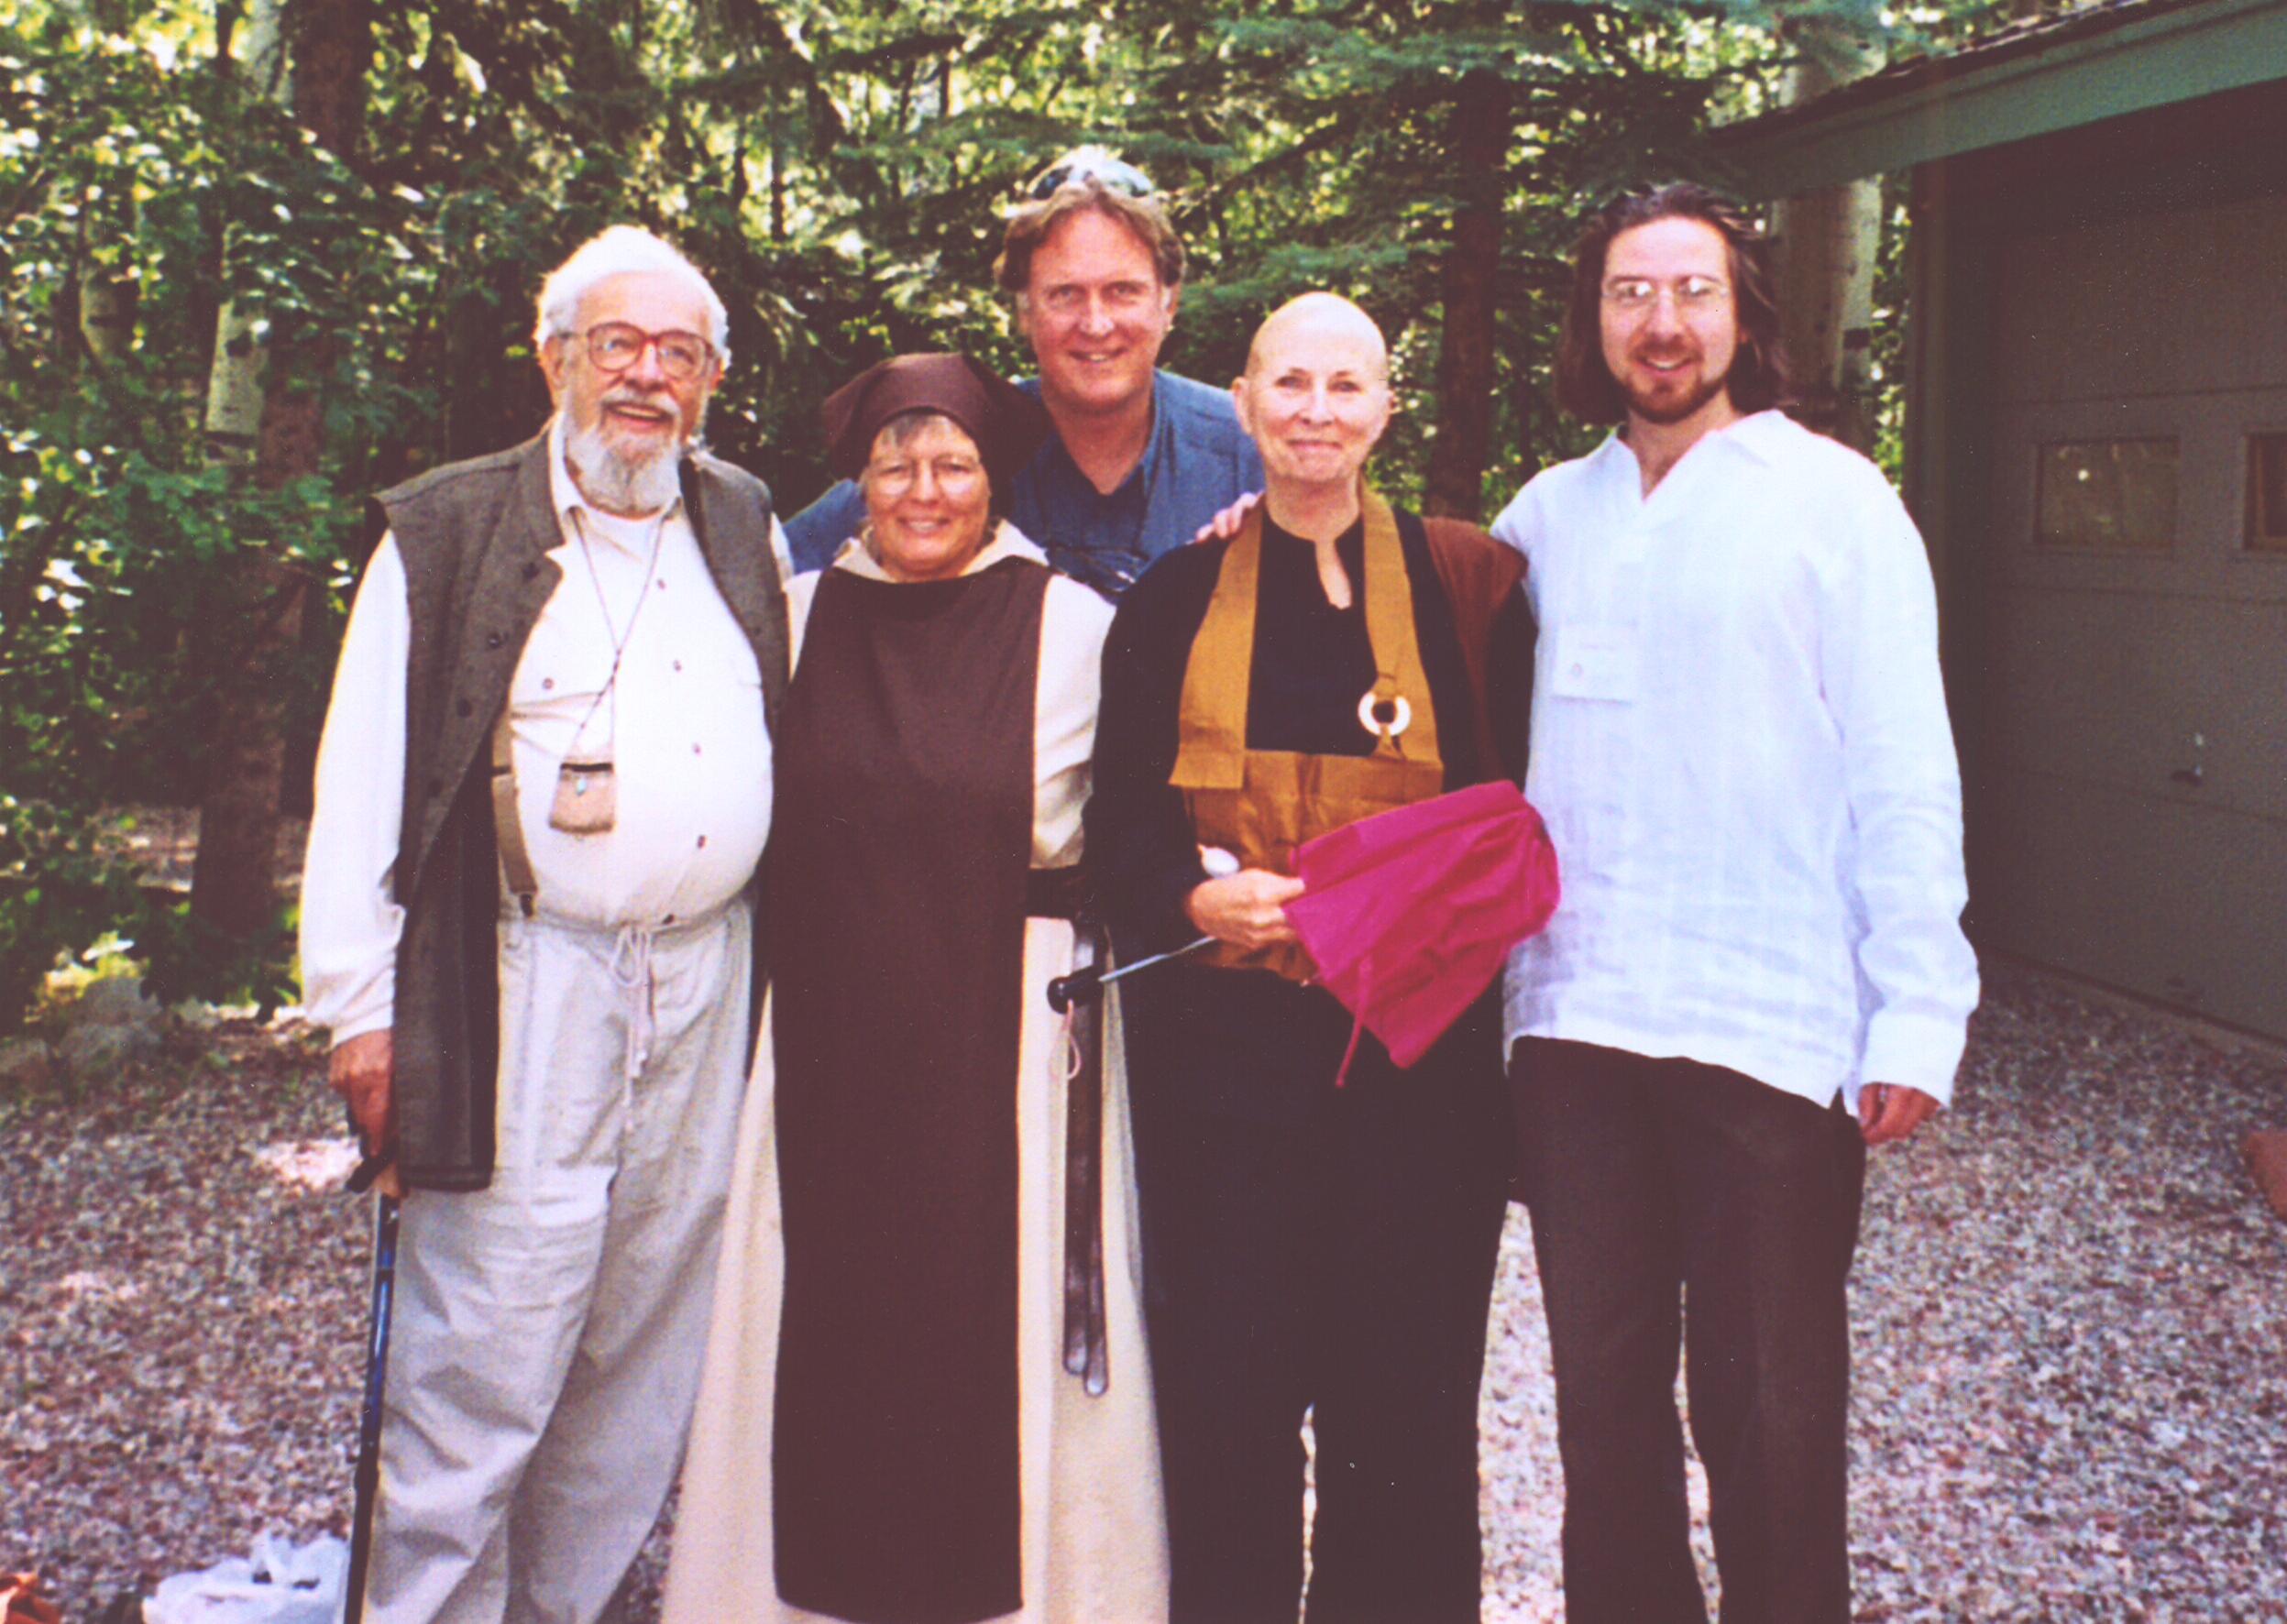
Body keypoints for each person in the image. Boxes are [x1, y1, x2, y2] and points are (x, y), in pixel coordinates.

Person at [1490, 182, 1980, 1624]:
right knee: (1600, 1397)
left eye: (1691, 291)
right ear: (1593, 320)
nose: (1660, 322)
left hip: (1766, 1022)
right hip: (1576, 1019)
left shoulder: (1830, 500)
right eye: (1630, 292)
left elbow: (1902, 761)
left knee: (1767, 1406)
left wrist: (1916, 1009)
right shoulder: (1546, 515)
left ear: (1742, 314)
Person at [298, 224, 787, 1623]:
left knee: (640, 1346)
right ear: (552, 353)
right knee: (489, 1340)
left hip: (705, 979)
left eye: (678, 355)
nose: (645, 378)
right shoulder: (449, 530)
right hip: (526, 978)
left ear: (707, 382)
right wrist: (363, 1009)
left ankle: (558, 1611)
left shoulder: (740, 519)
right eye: (615, 345)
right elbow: (361, 780)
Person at [663, 354, 1166, 1624]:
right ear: (858, 480)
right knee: (816, 1318)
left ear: (995, 479)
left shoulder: (1074, 629)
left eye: (952, 464)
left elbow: (1146, 832)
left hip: (1008, 1036)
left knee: (989, 1339)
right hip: (830, 1036)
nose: (923, 489)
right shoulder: (793, 616)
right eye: (895, 464)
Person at [1090, 293, 1534, 1624]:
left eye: (1346, 387)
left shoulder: (1469, 599)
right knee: (1223, 1413)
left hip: (1414, 1086)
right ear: (1240, 403)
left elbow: (1512, 824)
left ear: (1386, 408)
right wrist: (1189, 903)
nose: (1316, 414)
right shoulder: (1171, 600)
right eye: (1290, 384)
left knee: (1399, 1416)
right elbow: (1118, 830)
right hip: (1217, 1097)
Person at [781, 148, 1264, 598]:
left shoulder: (1247, 451)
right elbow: (773, 571)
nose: (1096, 324)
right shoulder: (962, 442)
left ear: (1169, 304)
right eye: (1065, 295)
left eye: (1122, 291)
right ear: (1025, 311)